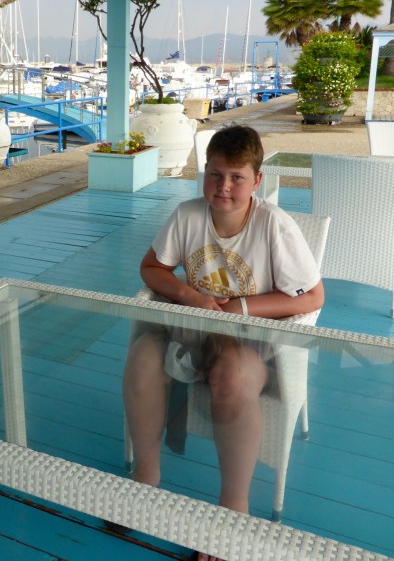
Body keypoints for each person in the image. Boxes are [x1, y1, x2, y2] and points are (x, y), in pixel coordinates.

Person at [122, 124, 323, 557]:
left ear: (257, 180)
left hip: (251, 342)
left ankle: (233, 508)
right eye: (215, 174)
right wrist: (190, 295)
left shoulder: (274, 226)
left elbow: (312, 296)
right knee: (142, 358)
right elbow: (151, 268)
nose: (224, 187)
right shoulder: (188, 215)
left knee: (231, 377)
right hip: (192, 329)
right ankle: (146, 476)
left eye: (236, 177)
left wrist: (242, 308)